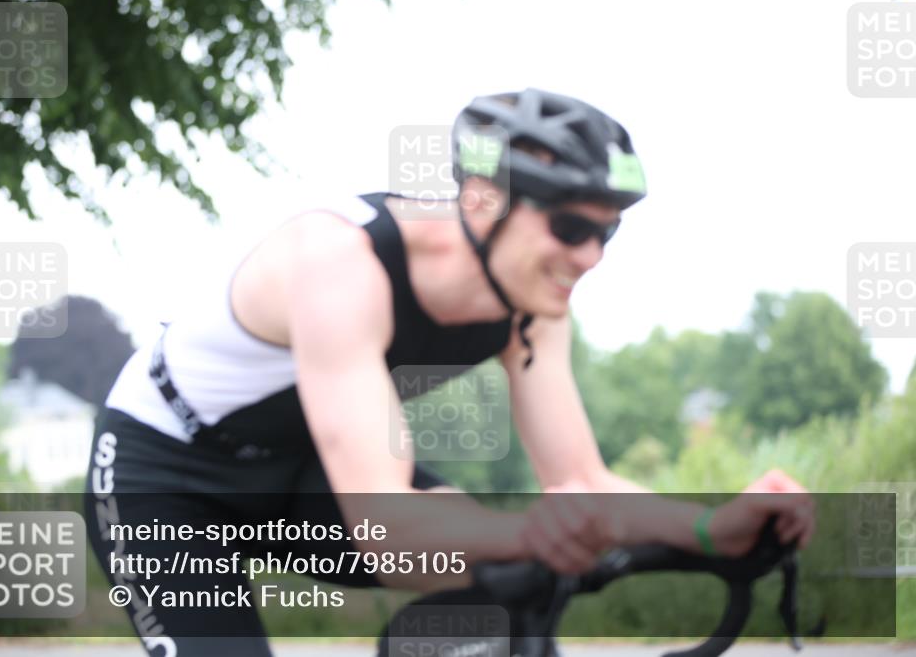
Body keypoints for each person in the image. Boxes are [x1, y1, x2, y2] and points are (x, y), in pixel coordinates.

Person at [85, 88, 815, 657]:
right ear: (482, 199)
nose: (591, 256)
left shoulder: (533, 306)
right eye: (568, 227)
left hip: (298, 467)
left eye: (607, 230)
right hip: (165, 476)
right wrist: (535, 527)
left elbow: (580, 483)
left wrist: (712, 527)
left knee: (500, 569)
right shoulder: (341, 263)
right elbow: (383, 523)